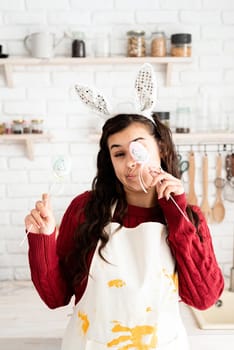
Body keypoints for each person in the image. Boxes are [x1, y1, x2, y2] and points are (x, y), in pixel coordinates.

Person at [25, 112, 224, 350]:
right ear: (110, 161)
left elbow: (204, 299)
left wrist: (176, 211)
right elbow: (56, 298)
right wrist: (43, 239)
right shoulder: (85, 210)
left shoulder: (187, 216)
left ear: (161, 149)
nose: (130, 161)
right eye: (119, 153)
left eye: (138, 149)